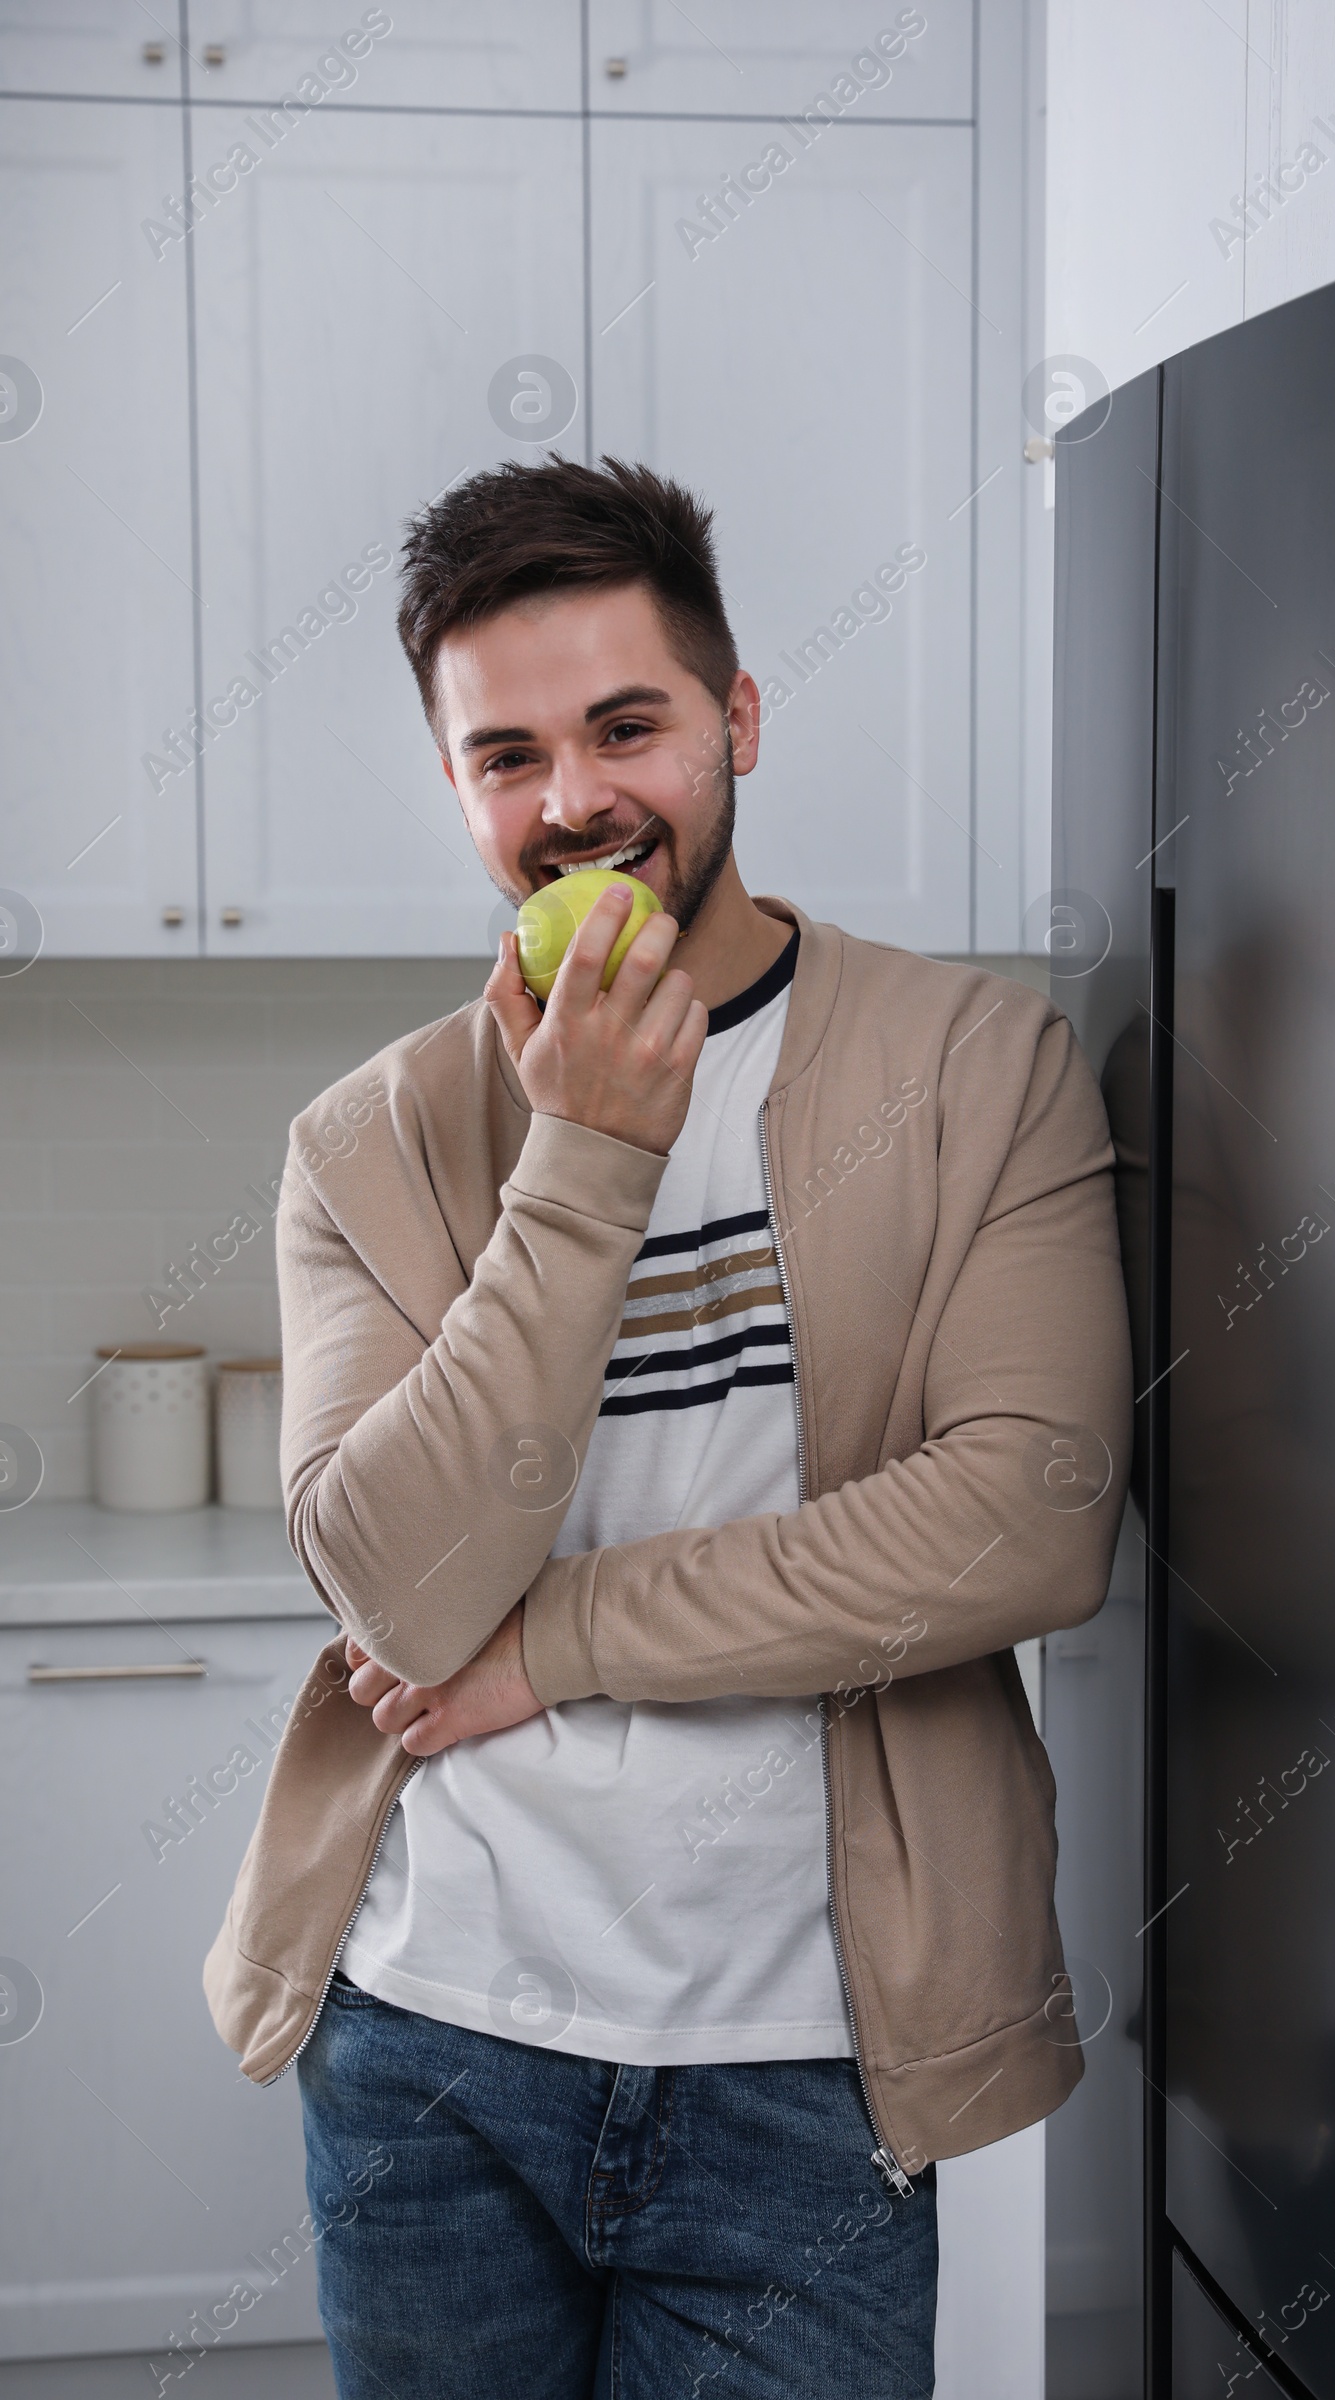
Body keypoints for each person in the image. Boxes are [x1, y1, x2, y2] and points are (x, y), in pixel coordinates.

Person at [203, 455, 1132, 2397]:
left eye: (625, 725)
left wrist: (554, 1639)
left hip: (805, 2057)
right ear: (457, 783)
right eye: (503, 757)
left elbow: (1024, 1520)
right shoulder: (370, 1141)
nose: (571, 804)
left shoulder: (973, 1068)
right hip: (432, 2044)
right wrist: (590, 1159)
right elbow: (392, 1573)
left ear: (736, 719)